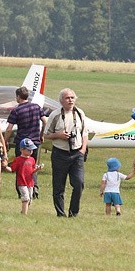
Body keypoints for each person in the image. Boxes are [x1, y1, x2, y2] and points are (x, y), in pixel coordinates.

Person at [43, 88, 89, 217]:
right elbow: (46, 135)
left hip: (77, 153)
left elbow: (85, 133)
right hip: (60, 153)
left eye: (72, 98)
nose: (70, 100)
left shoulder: (80, 113)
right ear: (61, 101)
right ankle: (60, 213)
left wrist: (83, 150)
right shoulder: (55, 115)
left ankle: (74, 212)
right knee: (59, 186)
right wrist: (58, 135)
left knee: (79, 183)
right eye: (67, 98)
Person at [3, 86, 47, 198]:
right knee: (32, 166)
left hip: (22, 143)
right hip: (35, 142)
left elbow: (9, 129)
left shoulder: (16, 110)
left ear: (18, 97)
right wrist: (41, 134)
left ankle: (21, 191)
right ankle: (34, 188)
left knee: (20, 167)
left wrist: (5, 141)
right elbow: (45, 122)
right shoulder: (37, 107)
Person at [6, 138, 43, 215]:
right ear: (22, 149)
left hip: (30, 183)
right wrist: (5, 167)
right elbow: (12, 169)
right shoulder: (18, 160)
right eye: (29, 150)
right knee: (25, 198)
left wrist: (38, 169)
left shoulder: (32, 159)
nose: (31, 151)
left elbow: (32, 171)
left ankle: (23, 211)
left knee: (30, 199)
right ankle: (24, 215)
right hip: (22, 182)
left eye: (32, 150)